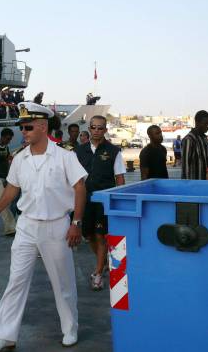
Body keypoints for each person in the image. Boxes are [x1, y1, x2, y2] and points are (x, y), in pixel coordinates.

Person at [0, 102, 87, 350]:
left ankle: (70, 329)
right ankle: (6, 335)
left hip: (56, 226)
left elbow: (80, 187)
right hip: (27, 226)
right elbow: (11, 189)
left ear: (43, 127)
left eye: (28, 126)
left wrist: (76, 223)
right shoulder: (20, 158)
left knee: (62, 283)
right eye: (22, 127)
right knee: (16, 281)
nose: (24, 131)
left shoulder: (65, 156)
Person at [76, 115, 126, 290]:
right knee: (88, 235)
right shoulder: (79, 151)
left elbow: (119, 178)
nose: (96, 131)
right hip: (84, 200)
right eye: (93, 127)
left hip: (104, 201)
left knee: (100, 235)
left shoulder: (114, 151)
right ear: (89, 128)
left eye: (100, 128)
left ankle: (98, 274)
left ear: (105, 130)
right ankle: (103, 262)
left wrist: (118, 200)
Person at [182, 110, 208, 180]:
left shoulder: (205, 139)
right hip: (194, 183)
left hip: (205, 182)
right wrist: (187, 184)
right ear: (197, 122)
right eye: (205, 124)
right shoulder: (189, 140)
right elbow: (185, 166)